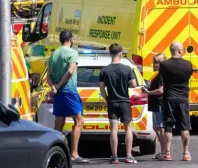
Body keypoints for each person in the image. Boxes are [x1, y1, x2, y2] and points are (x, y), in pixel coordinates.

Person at [47, 30, 89, 164]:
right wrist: (58, 86)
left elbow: (48, 75)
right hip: (68, 90)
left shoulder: (54, 54)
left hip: (58, 93)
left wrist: (53, 86)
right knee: (79, 121)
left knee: (59, 123)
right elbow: (71, 71)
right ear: (70, 40)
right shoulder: (72, 53)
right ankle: (74, 154)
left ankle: (54, 152)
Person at [99, 43, 137, 164]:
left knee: (113, 130)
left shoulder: (104, 70)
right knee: (128, 129)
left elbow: (101, 89)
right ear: (120, 54)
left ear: (110, 54)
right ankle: (128, 155)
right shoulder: (127, 69)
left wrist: (107, 100)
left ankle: (114, 157)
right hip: (125, 102)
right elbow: (134, 84)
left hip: (112, 102)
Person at [159, 42, 193, 161]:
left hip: (169, 99)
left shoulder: (164, 65)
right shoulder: (188, 65)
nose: (183, 51)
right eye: (183, 49)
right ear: (179, 51)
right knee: (184, 127)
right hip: (183, 99)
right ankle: (185, 153)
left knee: (168, 126)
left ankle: (167, 153)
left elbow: (162, 78)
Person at [142, 53, 166, 160]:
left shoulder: (162, 75)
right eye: (155, 61)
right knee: (157, 128)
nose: (156, 64)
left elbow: (161, 90)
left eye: (158, 62)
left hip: (159, 104)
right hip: (155, 104)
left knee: (160, 129)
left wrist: (148, 92)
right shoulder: (159, 74)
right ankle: (163, 152)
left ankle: (165, 152)